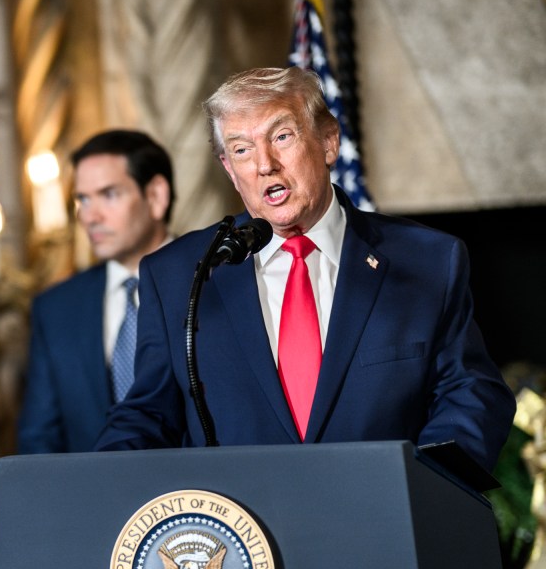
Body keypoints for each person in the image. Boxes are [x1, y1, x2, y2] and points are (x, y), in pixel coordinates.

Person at [95, 66, 514, 472]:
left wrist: (420, 489)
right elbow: (148, 415)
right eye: (242, 149)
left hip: (383, 524)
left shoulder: (426, 261)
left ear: (329, 142)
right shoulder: (179, 274)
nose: (265, 164)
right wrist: (90, 493)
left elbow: (471, 392)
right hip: (241, 535)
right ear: (229, 169)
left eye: (282, 136)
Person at [16, 129, 175, 453]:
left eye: (109, 194)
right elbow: (39, 441)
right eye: (83, 199)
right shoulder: (56, 308)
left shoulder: (216, 282)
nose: (90, 216)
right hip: (92, 499)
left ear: (156, 196)